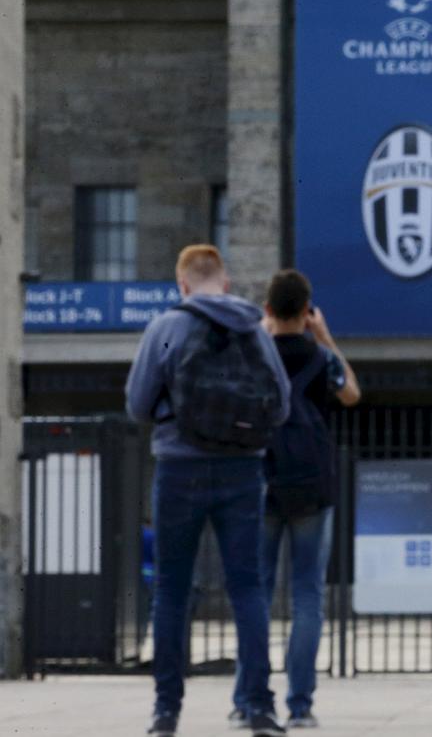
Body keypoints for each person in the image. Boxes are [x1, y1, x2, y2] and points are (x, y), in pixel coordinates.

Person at [126, 245, 291, 737]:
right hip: (242, 472)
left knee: (172, 592)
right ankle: (260, 707)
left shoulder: (165, 328)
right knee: (248, 590)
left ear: (182, 285)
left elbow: (137, 405)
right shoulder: (254, 330)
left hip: (179, 470)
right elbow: (279, 406)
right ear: (224, 282)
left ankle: (166, 712)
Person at [229, 270, 361, 729]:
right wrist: (326, 338)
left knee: (256, 595)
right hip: (312, 487)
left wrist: (261, 336)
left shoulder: (254, 354)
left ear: (266, 310)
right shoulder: (320, 356)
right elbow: (352, 393)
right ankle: (300, 705)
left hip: (262, 484)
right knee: (307, 597)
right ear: (308, 312)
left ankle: (249, 699)